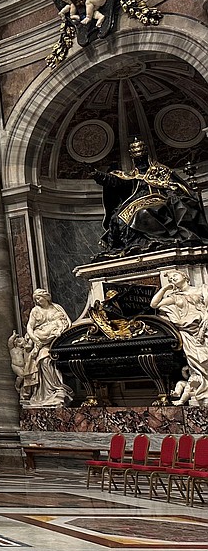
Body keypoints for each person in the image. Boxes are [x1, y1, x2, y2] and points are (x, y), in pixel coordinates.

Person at [93, 138, 208, 256]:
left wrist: (172, 193)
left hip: (158, 199)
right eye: (137, 158)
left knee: (143, 212)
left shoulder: (160, 171)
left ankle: (144, 241)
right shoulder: (132, 176)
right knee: (116, 218)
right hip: (135, 202)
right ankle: (130, 245)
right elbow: (113, 181)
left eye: (141, 157)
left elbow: (177, 187)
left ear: (146, 155)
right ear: (133, 158)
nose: (140, 161)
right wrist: (96, 174)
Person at [151, 271, 208, 404]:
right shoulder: (175, 297)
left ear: (185, 276)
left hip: (203, 329)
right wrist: (165, 288)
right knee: (197, 364)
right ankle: (203, 391)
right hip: (188, 333)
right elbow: (154, 304)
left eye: (175, 276)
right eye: (170, 278)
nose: (172, 278)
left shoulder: (202, 289)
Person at [24, 288, 73, 407]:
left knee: (50, 359)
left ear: (45, 297)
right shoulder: (36, 311)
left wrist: (59, 332)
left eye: (39, 297)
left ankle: (57, 389)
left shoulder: (56, 307)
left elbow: (68, 322)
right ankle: (52, 390)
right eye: (36, 299)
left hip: (58, 341)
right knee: (45, 360)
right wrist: (36, 340)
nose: (38, 300)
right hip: (41, 342)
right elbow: (29, 328)